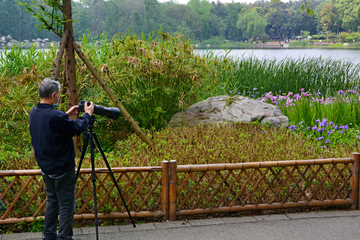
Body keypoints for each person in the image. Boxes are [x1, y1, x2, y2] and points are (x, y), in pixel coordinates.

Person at [30, 78, 94, 240]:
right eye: (58, 95)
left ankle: (49, 236)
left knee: (52, 201)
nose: (58, 97)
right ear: (53, 95)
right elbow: (76, 128)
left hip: (46, 168)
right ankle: (65, 238)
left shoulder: (34, 113)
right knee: (66, 205)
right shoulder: (56, 116)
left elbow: (50, 124)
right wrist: (87, 115)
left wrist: (66, 114)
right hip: (62, 169)